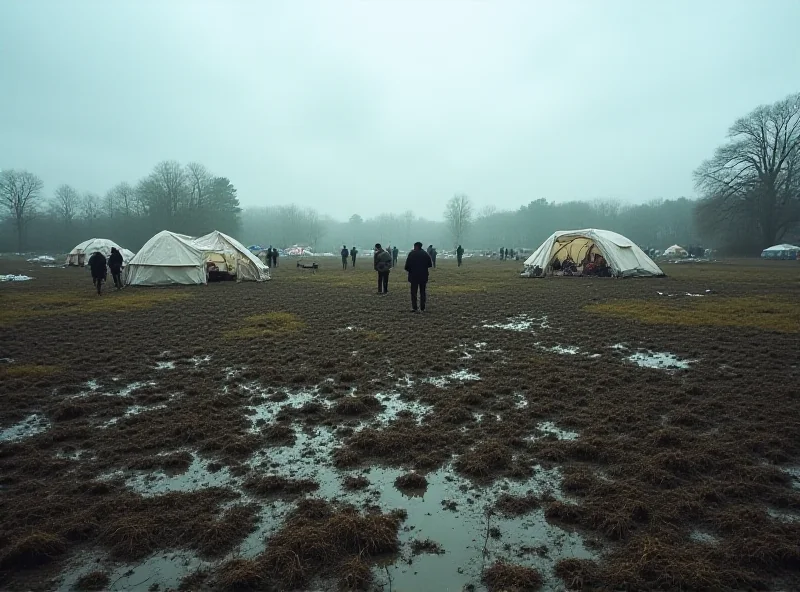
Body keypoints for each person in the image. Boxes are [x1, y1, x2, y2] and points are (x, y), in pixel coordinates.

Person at [405, 241, 432, 313]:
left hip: (413, 276)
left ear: (415, 246)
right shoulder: (425, 254)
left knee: (413, 292)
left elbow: (406, 266)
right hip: (423, 276)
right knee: (422, 292)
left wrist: (411, 270)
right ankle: (422, 307)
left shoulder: (411, 254)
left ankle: (414, 307)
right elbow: (430, 265)